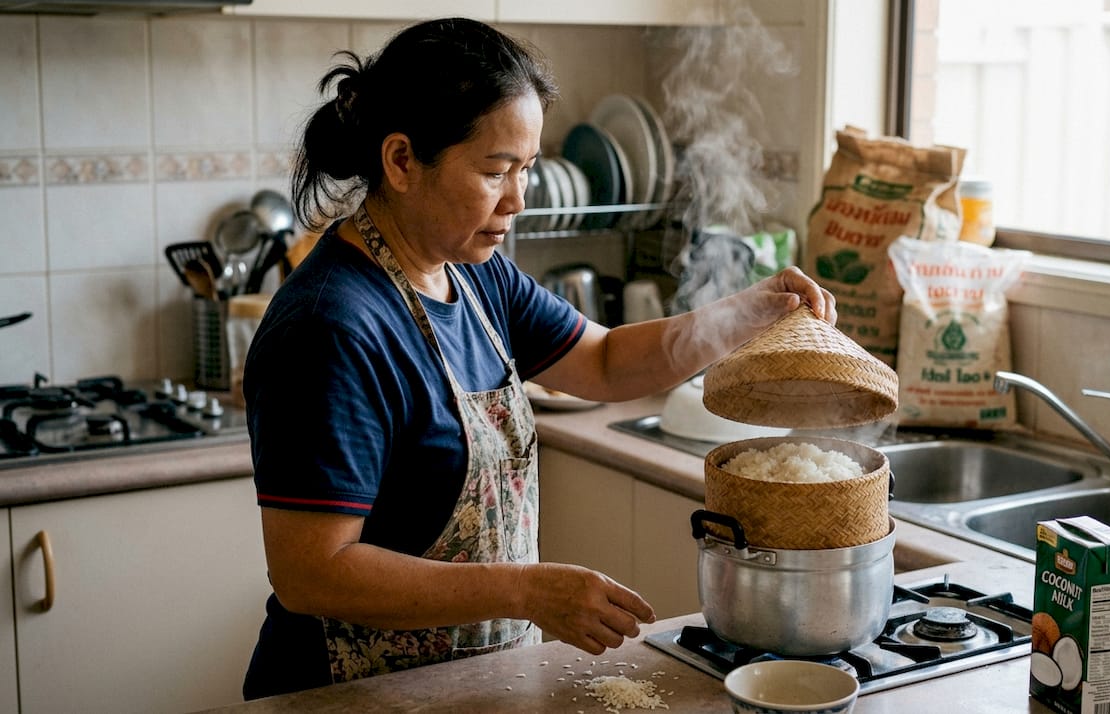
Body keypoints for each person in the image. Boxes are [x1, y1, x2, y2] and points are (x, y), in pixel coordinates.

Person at [240, 17, 836, 700]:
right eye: (496, 172)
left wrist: (748, 312)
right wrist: (527, 590)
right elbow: (314, 572)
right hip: (344, 695)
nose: (518, 202)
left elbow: (606, 361)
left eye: (526, 170)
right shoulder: (331, 327)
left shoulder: (474, 273)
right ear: (401, 161)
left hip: (472, 685)